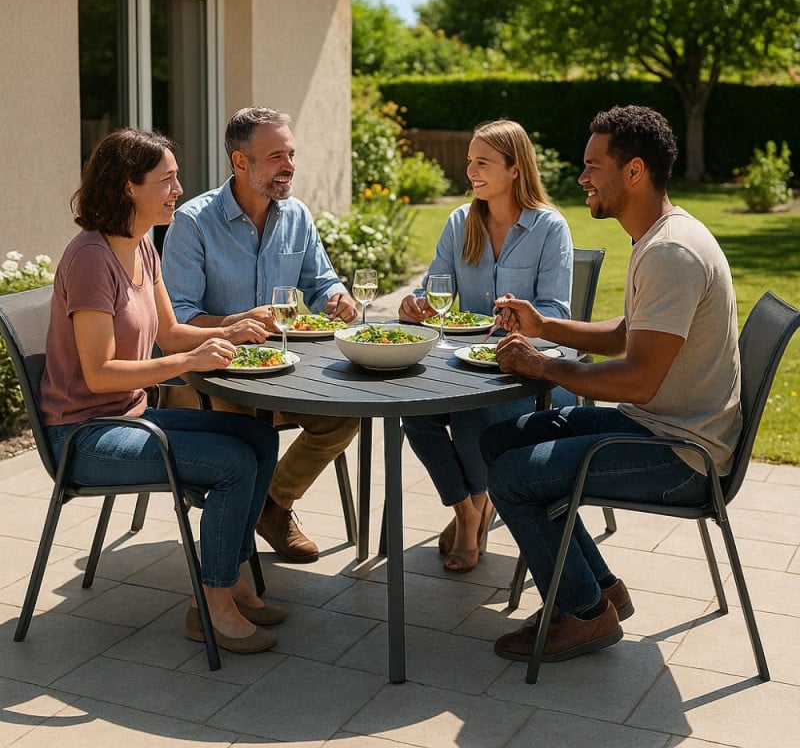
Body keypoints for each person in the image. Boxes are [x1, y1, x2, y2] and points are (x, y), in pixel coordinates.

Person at [480, 105, 742, 663]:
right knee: (502, 439)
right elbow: (631, 334)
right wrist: (545, 325)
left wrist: (544, 365)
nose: (582, 178)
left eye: (593, 166)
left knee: (512, 476)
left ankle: (583, 616)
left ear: (634, 171)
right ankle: (598, 590)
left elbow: (639, 380)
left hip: (681, 452)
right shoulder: (661, 235)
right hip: (663, 426)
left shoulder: (670, 251)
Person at [39, 128, 286, 655]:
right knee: (232, 464)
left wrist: (232, 327)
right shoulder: (89, 259)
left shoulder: (143, 245)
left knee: (259, 439)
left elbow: (171, 333)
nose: (179, 190)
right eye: (167, 180)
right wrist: (187, 362)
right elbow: (100, 373)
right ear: (129, 187)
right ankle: (211, 604)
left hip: (129, 417)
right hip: (84, 436)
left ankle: (232, 575)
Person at [161, 106, 360, 563]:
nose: (288, 166)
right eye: (275, 156)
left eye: (290, 154)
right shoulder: (193, 223)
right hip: (209, 379)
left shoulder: (297, 215)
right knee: (247, 433)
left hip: (283, 372)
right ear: (240, 162)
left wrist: (338, 296)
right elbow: (179, 320)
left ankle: (273, 504)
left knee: (344, 416)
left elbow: (321, 281)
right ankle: (231, 552)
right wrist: (234, 322)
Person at [397, 119, 573, 573]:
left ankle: (474, 516)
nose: (471, 171)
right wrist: (416, 305)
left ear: (515, 169)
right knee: (414, 411)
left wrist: (526, 319)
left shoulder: (549, 228)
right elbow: (434, 289)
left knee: (472, 414)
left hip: (528, 374)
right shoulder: (461, 222)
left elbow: (557, 313)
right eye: (469, 161)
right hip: (465, 365)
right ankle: (469, 509)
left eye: (483, 163)